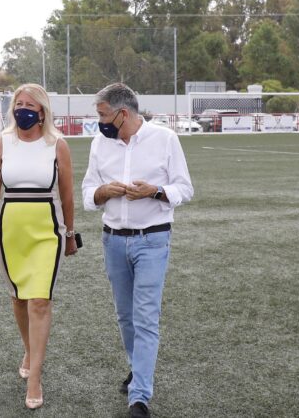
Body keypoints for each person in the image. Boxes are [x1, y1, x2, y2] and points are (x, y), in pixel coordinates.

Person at [80, 83, 194, 418]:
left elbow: (185, 189)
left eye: (103, 114)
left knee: (145, 316)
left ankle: (140, 397)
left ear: (122, 113)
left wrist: (154, 191)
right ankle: (137, 367)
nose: (100, 121)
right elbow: (88, 193)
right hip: (113, 240)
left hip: (153, 240)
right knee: (125, 316)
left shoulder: (165, 139)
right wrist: (103, 191)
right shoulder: (100, 143)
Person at [0, 84, 78, 410]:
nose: (23, 109)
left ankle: (35, 377)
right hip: (10, 230)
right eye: (18, 104)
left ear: (42, 112)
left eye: (30, 105)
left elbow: (67, 195)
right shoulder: (2, 142)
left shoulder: (57, 144)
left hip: (47, 230)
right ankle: (30, 349)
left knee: (39, 300)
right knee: (19, 298)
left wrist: (71, 234)